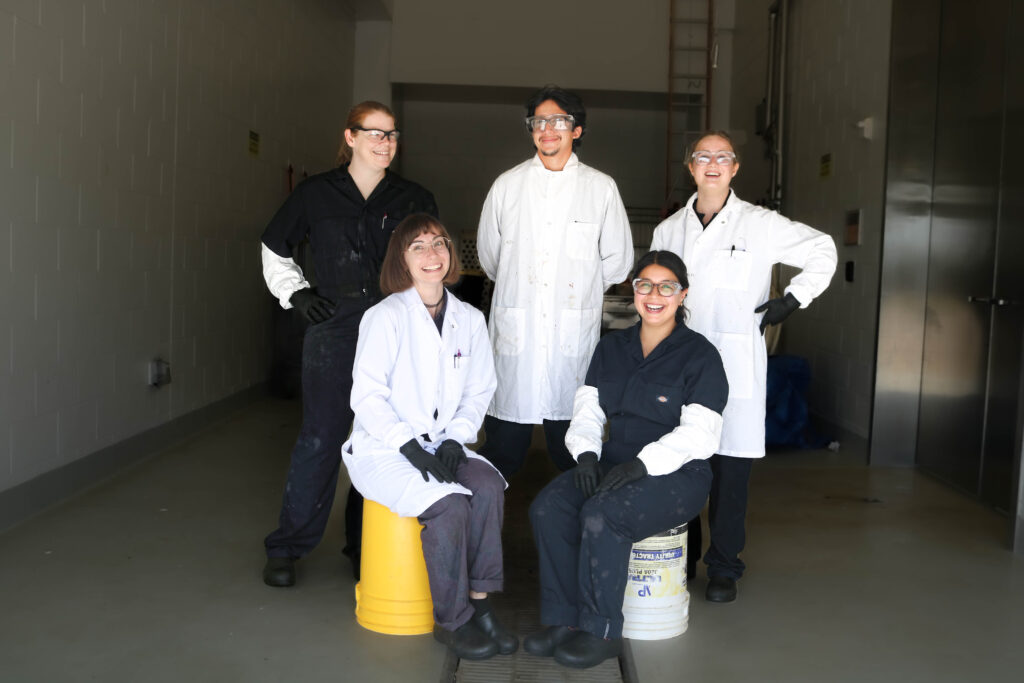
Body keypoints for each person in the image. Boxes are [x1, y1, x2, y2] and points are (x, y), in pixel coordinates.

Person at [650, 131, 837, 603]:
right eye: (703, 156)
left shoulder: (761, 224)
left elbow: (823, 249)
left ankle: (725, 566)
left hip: (736, 364)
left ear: (735, 169)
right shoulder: (669, 230)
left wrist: (792, 299)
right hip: (682, 361)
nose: (713, 164)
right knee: (681, 462)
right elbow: (655, 291)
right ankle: (684, 556)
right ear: (691, 167)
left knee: (731, 472)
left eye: (723, 157)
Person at [260, 101, 438, 587]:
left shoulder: (413, 197)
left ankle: (367, 544)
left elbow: (430, 260)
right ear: (351, 137)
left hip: (395, 325)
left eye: (392, 135)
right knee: (321, 436)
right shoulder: (315, 193)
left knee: (384, 436)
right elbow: (275, 245)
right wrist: (297, 294)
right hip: (333, 327)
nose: (385, 142)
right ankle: (288, 547)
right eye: (374, 133)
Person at [525, 251, 728, 669]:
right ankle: (563, 620)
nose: (655, 295)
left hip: (678, 474)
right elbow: (588, 408)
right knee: (549, 507)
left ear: (682, 294)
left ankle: (601, 631)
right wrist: (583, 454)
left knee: (603, 514)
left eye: (667, 286)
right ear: (633, 291)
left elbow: (700, 433)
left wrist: (643, 464)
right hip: (612, 462)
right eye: (645, 285)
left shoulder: (700, 355)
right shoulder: (612, 346)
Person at [342, 214, 516, 660]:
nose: (431, 254)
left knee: (488, 486)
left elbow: (480, 390)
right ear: (402, 258)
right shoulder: (385, 317)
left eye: (439, 244)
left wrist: (457, 438)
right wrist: (407, 446)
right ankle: (452, 621)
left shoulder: (469, 319)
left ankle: (481, 606)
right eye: (417, 246)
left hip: (442, 442)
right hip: (386, 448)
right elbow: (367, 396)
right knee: (450, 503)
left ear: (451, 255)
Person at [477, 85, 634, 480]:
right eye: (539, 121)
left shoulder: (601, 188)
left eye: (559, 121)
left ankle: (577, 538)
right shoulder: (507, 186)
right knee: (501, 457)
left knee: (574, 456)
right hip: (517, 344)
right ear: (531, 130)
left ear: (576, 130)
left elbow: (618, 264)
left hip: (572, 345)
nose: (548, 129)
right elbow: (491, 260)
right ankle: (485, 540)